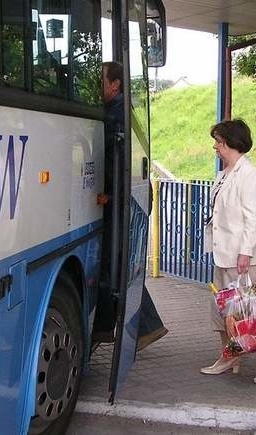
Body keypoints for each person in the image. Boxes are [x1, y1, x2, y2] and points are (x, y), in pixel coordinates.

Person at [201, 119, 256, 383]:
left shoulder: (247, 173)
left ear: (231, 142)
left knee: (248, 312)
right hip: (222, 251)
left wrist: (245, 252)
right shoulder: (225, 173)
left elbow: (253, 216)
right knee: (223, 311)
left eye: (218, 141)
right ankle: (229, 355)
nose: (215, 146)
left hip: (239, 254)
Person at [92, 61, 168, 352]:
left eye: (101, 80)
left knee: (117, 266)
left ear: (115, 84)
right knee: (120, 265)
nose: (98, 86)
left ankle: (142, 327)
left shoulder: (113, 116)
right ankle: (138, 327)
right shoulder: (122, 112)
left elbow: (117, 163)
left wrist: (110, 195)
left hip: (127, 200)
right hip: (132, 198)